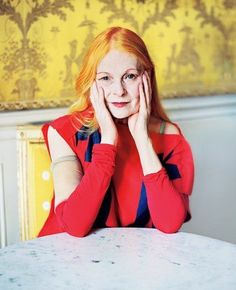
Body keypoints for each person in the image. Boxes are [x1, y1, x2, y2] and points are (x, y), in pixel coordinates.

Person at [38, 27, 194, 238]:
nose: (119, 91)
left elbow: (169, 223)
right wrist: (108, 141)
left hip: (134, 262)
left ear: (146, 77)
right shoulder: (65, 131)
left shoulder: (170, 136)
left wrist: (142, 140)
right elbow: (75, 225)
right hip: (68, 259)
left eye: (129, 76)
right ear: (91, 82)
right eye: (105, 78)